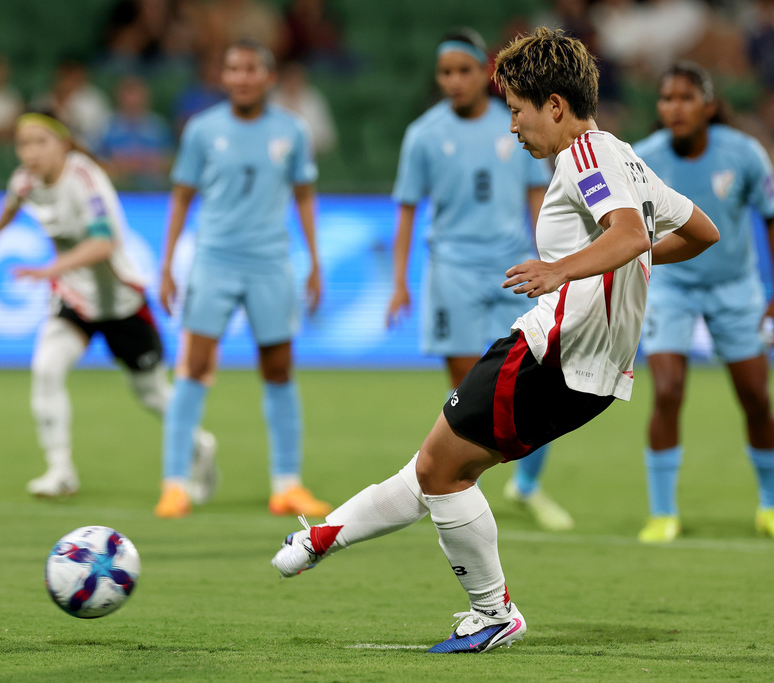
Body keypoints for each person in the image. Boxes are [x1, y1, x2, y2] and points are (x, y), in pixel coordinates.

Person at [271, 27, 719, 653]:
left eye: (516, 110)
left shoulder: (586, 157)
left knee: (442, 471)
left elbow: (626, 232)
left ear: (555, 106)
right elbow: (701, 232)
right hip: (591, 369)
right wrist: (624, 263)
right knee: (440, 465)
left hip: (550, 350)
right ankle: (327, 537)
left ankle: (492, 611)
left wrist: (564, 270)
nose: (511, 127)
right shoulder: (625, 156)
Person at [386, 28, 574, 531]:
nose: (454, 81)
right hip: (452, 271)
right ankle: (466, 488)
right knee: (470, 391)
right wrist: (400, 281)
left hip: (514, 270)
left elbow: (541, 202)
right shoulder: (423, 135)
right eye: (445, 72)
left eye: (464, 70)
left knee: (540, 382)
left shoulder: (517, 125)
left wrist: (555, 264)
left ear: (483, 73)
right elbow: (407, 211)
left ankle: (527, 486)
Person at [0, 112, 215, 498]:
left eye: (40, 142)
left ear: (63, 144)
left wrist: (51, 267)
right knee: (47, 368)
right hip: (75, 299)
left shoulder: (86, 180)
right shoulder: (25, 179)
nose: (30, 152)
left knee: (151, 395)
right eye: (23, 144)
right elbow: (11, 203)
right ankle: (60, 470)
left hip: (121, 300)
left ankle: (201, 445)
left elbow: (103, 244)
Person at [632, 62, 774, 543]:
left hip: (735, 287)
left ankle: (773, 508)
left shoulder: (745, 153)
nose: (674, 107)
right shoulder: (642, 159)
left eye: (686, 98)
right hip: (671, 284)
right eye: (666, 98)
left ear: (709, 105)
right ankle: (662, 513)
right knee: (667, 390)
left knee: (755, 396)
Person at [156, 38, 330, 519]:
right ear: (223, 76)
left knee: (278, 368)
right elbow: (181, 197)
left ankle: (286, 484)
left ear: (268, 76)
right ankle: (174, 482)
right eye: (233, 68)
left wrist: (315, 261)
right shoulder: (201, 130)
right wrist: (167, 262)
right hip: (214, 260)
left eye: (252, 68)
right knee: (193, 366)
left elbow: (304, 196)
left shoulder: (292, 131)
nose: (242, 76)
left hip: (271, 263)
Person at [96, 75, 174, 191]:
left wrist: (147, 162)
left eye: (136, 94)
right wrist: (119, 165)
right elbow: (96, 162)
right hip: (118, 189)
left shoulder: (159, 126)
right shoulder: (105, 126)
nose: (132, 100)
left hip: (154, 191)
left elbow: (171, 161)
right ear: (119, 96)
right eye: (128, 94)